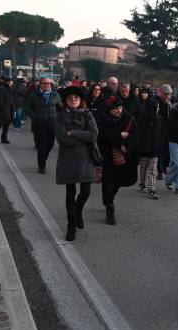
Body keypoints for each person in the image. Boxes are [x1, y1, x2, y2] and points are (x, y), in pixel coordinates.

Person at [55, 86, 99, 241]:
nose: (73, 100)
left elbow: (93, 134)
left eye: (76, 98)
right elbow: (62, 140)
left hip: (86, 158)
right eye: (70, 98)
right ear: (66, 101)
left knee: (86, 192)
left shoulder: (87, 114)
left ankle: (78, 210)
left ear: (81, 101)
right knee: (70, 193)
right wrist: (82, 137)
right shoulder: (60, 116)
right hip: (68, 159)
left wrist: (73, 133)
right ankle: (71, 224)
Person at [97, 95, 140, 224]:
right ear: (109, 109)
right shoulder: (103, 120)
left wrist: (126, 146)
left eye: (120, 107)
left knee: (122, 180)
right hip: (108, 156)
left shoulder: (129, 119)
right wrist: (119, 138)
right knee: (109, 180)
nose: (118, 111)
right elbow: (102, 137)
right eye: (115, 108)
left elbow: (136, 135)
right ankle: (110, 208)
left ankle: (109, 196)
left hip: (125, 156)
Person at [26, 78, 62, 173]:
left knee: (50, 143)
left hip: (52, 123)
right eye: (44, 83)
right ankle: (41, 166)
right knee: (41, 145)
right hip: (39, 123)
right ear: (40, 84)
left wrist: (58, 117)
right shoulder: (34, 95)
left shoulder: (55, 95)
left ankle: (43, 158)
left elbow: (60, 107)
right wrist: (34, 116)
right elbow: (27, 107)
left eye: (48, 84)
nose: (47, 85)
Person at [137, 93, 162, 200]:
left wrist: (161, 144)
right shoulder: (142, 119)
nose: (158, 109)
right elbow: (139, 134)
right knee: (143, 168)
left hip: (155, 148)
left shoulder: (159, 119)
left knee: (152, 170)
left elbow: (162, 133)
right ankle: (141, 183)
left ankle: (151, 189)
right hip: (144, 148)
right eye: (156, 107)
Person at [154, 84, 173, 180]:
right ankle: (160, 170)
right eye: (166, 94)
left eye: (169, 94)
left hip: (168, 130)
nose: (168, 96)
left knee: (167, 150)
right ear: (160, 93)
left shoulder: (170, 103)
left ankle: (165, 167)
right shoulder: (155, 102)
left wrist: (170, 107)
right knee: (160, 151)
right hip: (158, 130)